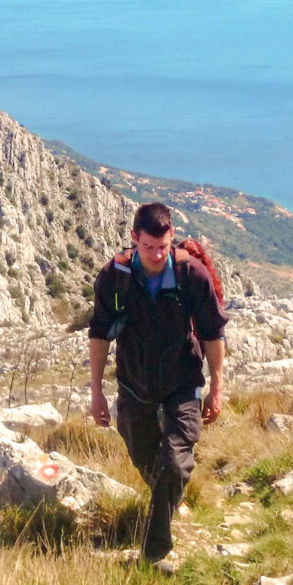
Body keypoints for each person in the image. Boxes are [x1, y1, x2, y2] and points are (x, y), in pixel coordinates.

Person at [88, 202, 228, 563]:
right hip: (134, 384)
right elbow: (99, 334)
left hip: (182, 383)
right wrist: (96, 391)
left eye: (163, 247)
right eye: (148, 246)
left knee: (175, 463)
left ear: (172, 237)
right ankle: (170, 499)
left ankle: (153, 552)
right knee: (143, 454)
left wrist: (216, 387)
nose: (155, 255)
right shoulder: (115, 276)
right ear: (134, 238)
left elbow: (213, 333)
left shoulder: (190, 275)